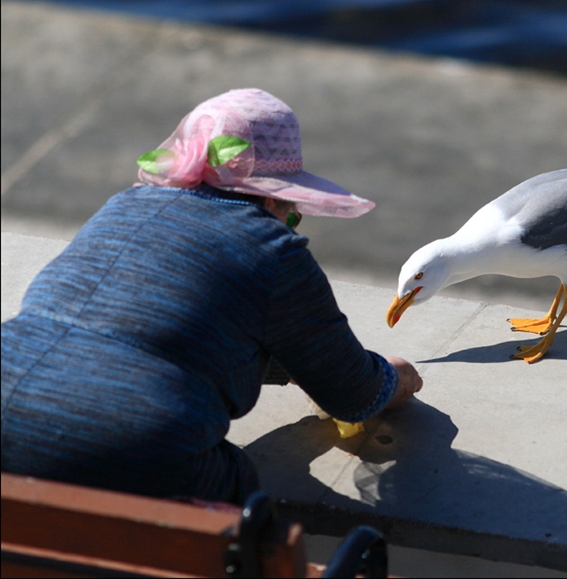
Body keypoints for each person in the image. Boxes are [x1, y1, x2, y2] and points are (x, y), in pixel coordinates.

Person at [1, 88, 423, 505]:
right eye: (290, 212)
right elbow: (354, 396)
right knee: (238, 487)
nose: (287, 225)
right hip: (137, 452)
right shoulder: (274, 249)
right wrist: (394, 376)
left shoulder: (119, 206)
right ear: (270, 196)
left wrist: (289, 365)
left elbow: (140, 329)